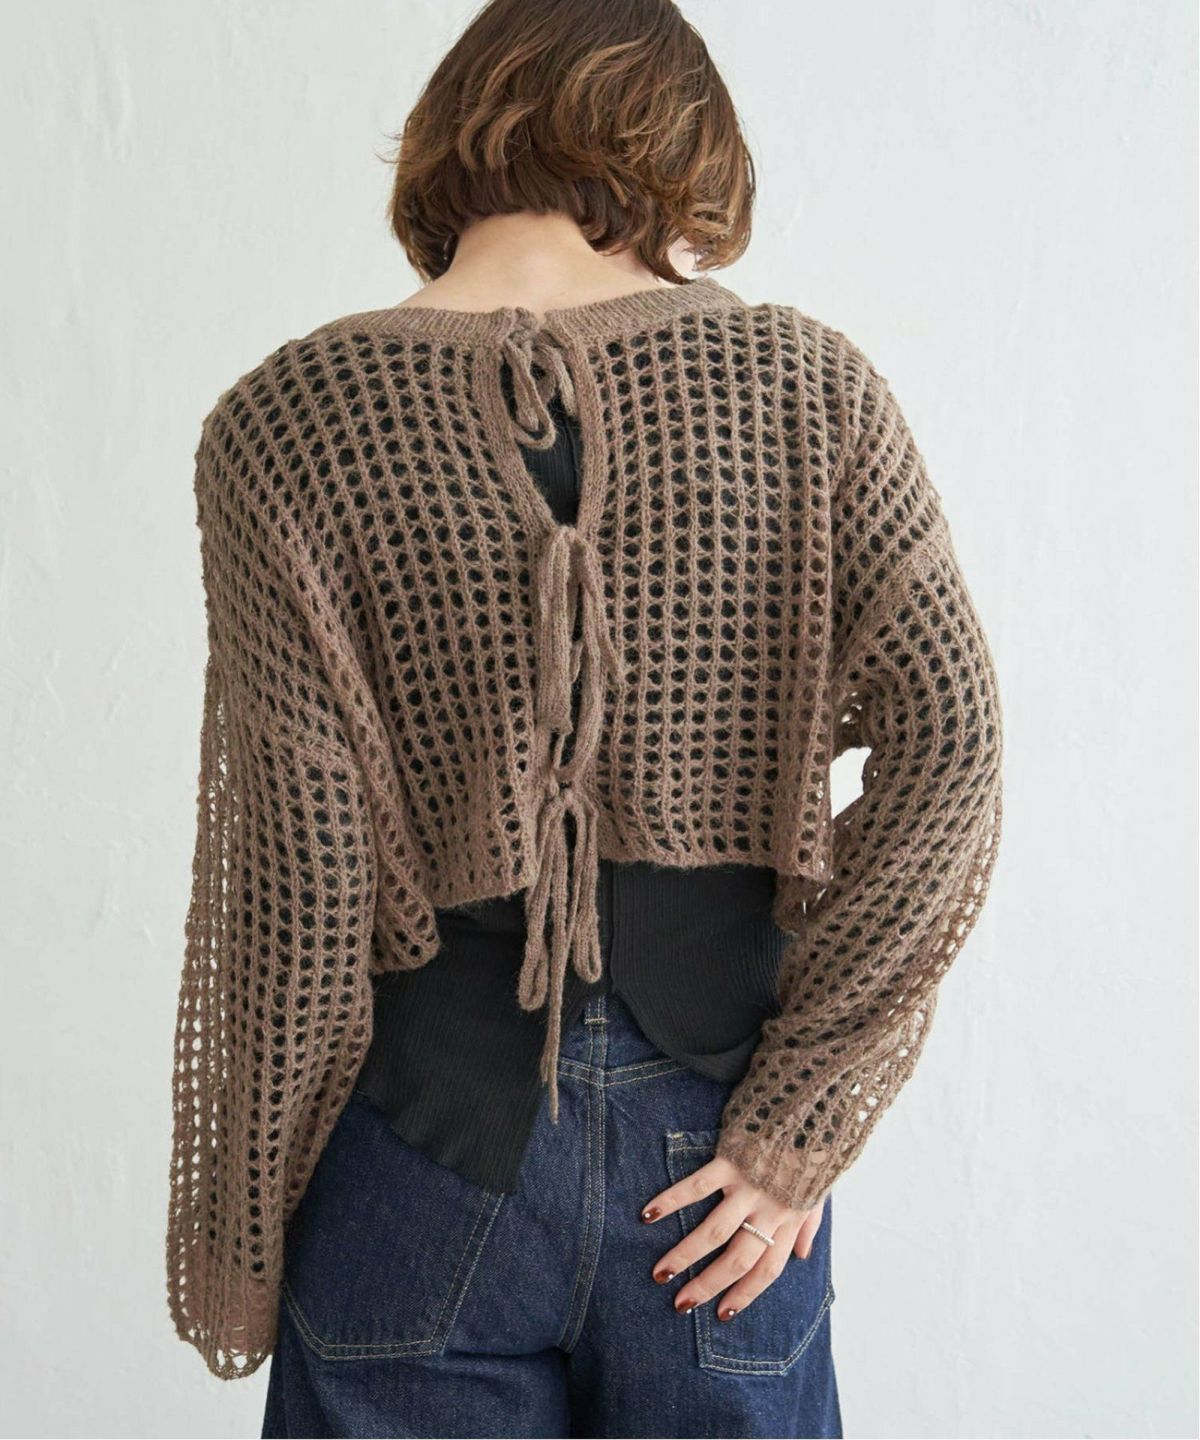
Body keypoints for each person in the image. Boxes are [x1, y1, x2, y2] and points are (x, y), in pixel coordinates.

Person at [165, 2, 1004, 1436]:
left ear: (452, 133)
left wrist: (240, 1239)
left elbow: (300, 888)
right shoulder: (807, 389)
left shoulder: (285, 426)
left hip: (416, 1154)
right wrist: (798, 1120)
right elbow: (956, 742)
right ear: (681, 148)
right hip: (717, 1180)